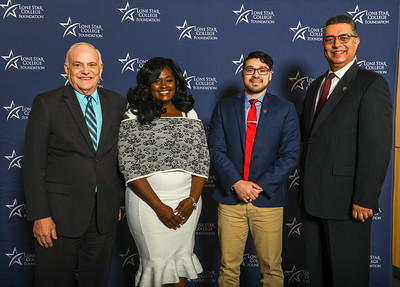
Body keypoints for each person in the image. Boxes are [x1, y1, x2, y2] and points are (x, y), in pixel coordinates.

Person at [299, 15, 392, 287]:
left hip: (348, 203)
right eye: (330, 39)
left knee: (347, 277)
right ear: (323, 45)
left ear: (356, 42)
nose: (336, 44)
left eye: (343, 38)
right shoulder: (316, 86)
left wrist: (365, 198)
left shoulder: (371, 83)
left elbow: (377, 147)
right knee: (320, 277)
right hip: (312, 200)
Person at [23, 42, 126, 287]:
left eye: (91, 65)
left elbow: (120, 157)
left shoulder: (117, 103)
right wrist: (40, 215)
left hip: (104, 216)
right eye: (77, 65)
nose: (85, 71)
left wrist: (117, 200)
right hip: (58, 218)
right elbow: (33, 164)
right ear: (67, 70)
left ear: (100, 69)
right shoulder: (47, 103)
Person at [208, 51, 300, 287]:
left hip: (267, 200)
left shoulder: (285, 109)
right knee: (228, 268)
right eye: (250, 70)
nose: (255, 75)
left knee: (271, 269)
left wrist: (258, 187)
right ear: (242, 74)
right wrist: (237, 183)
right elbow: (216, 150)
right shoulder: (224, 108)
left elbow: (289, 155)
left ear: (270, 75)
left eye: (262, 70)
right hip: (230, 200)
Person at [118, 57, 210, 287]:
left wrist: (192, 200)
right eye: (156, 81)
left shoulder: (190, 115)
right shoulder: (133, 116)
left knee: (179, 264)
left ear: (177, 83)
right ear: (146, 85)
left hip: (186, 204)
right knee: (156, 265)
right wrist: (160, 208)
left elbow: (201, 162)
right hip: (148, 206)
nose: (164, 86)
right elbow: (130, 167)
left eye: (169, 80)